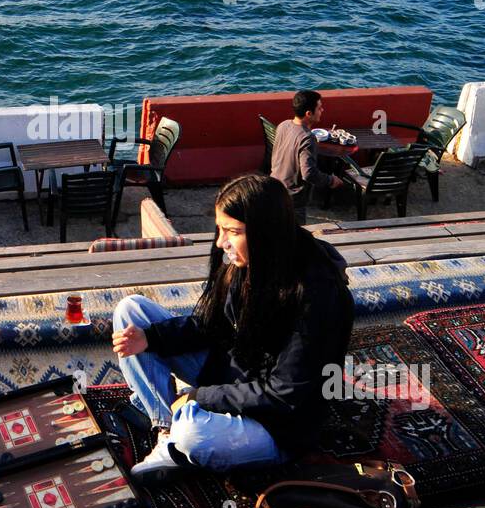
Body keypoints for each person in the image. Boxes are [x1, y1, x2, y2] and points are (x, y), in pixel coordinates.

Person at [111, 174, 354, 478]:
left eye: (232, 231)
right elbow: (209, 323)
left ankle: (181, 436)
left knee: (193, 434)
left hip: (276, 424)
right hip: (231, 375)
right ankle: (165, 427)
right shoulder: (245, 260)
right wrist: (151, 337)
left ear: (265, 232)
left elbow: (284, 394)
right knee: (130, 311)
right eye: (220, 229)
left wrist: (200, 397)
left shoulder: (316, 296)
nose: (220, 242)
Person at [270, 89, 342, 226]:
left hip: (275, 188)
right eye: (319, 108)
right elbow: (309, 174)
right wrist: (331, 180)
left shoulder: (283, 125)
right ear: (308, 113)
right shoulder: (308, 138)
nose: (322, 110)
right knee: (295, 237)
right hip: (293, 199)